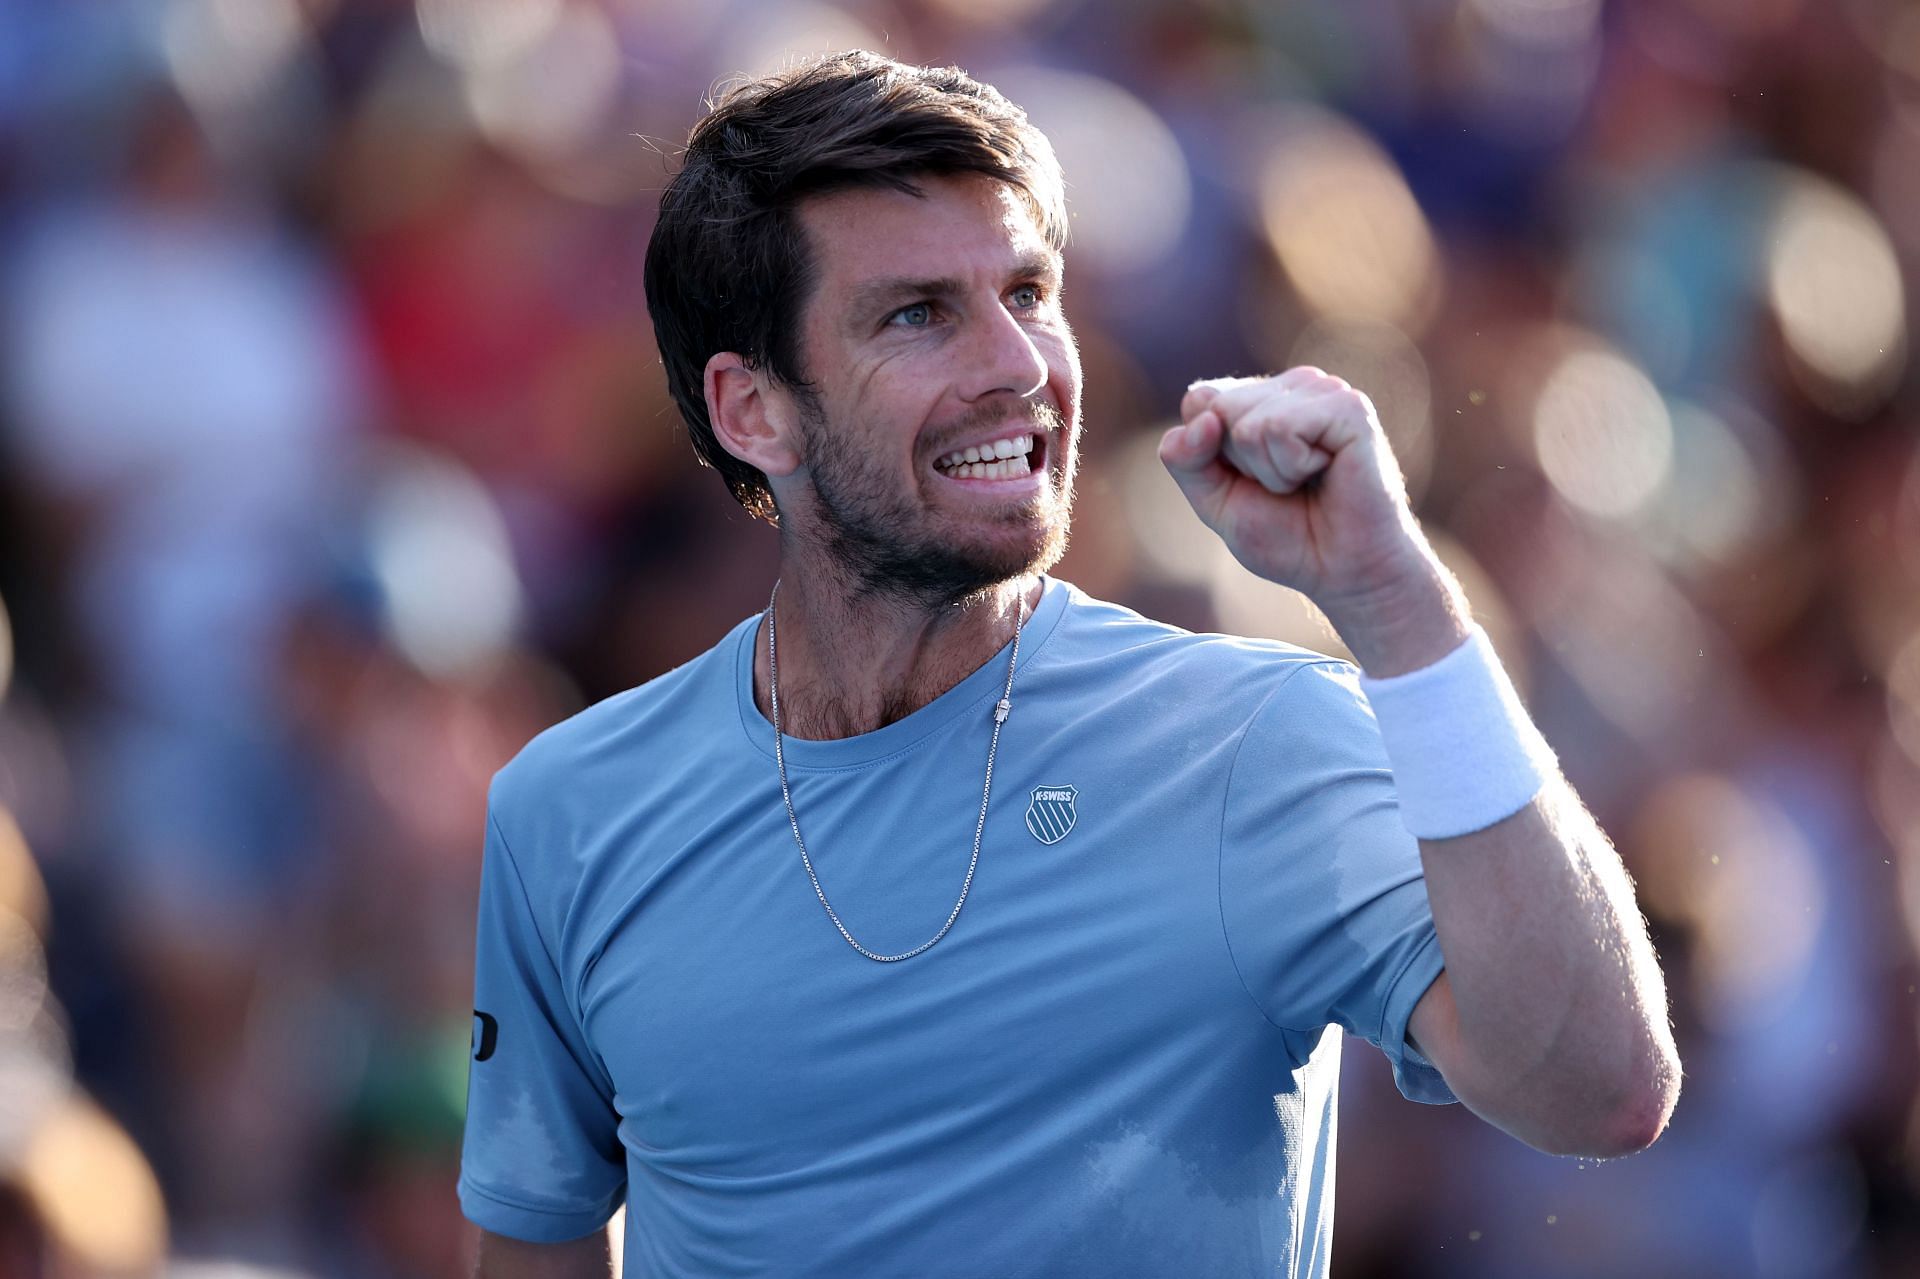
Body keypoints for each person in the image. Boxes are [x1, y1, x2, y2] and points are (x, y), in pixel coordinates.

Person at [459, 50, 1680, 1278]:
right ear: (752, 411)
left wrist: (1402, 608)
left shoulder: (1260, 740)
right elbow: (531, 1248)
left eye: (1031, 294)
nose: (1019, 364)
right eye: (919, 313)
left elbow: (1600, 1091)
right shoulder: (568, 811)